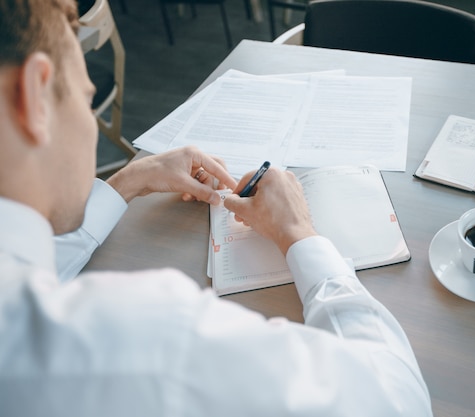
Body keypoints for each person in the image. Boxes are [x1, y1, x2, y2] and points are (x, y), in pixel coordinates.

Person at [0, 0, 433, 416]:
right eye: (83, 95)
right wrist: (300, 233)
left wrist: (130, 179)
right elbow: (395, 400)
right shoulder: (143, 337)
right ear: (35, 95)